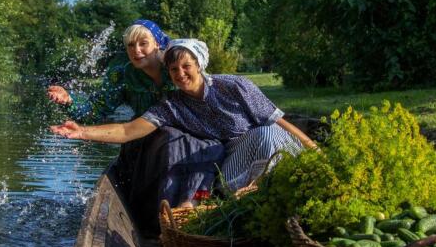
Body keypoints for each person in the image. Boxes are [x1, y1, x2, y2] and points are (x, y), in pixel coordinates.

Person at [51, 38, 317, 201]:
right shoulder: (172, 106)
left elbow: (277, 119)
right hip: (234, 163)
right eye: (174, 69)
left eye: (186, 66)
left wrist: (314, 149)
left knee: (266, 132)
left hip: (272, 148)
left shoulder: (234, 86)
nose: (180, 74)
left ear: (199, 65)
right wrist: (82, 131)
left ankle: (266, 186)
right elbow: (128, 130)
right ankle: (249, 194)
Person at [47, 22, 223, 232]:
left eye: (143, 43)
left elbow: (204, 93)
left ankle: (189, 211)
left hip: (189, 139)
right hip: (144, 142)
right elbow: (96, 109)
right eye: (131, 45)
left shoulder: (176, 65)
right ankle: (160, 220)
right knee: (170, 137)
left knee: (206, 146)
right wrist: (69, 100)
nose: (136, 50)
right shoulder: (122, 74)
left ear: (157, 43)